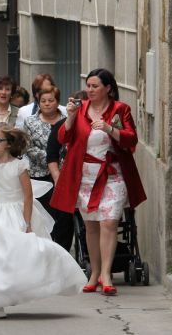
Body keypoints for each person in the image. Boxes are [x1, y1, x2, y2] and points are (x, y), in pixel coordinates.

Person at [0, 124, 86, 318]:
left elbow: (27, 196)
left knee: (13, 256)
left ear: (9, 143)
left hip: (13, 212)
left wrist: (27, 223)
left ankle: (11, 291)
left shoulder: (19, 166)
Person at [51, 68, 147, 296]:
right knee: (91, 226)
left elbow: (131, 139)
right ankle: (93, 272)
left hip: (113, 175)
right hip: (85, 176)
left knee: (109, 222)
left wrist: (109, 128)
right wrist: (71, 117)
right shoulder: (80, 109)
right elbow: (63, 138)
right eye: (88, 85)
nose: (90, 90)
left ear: (108, 88)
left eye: (95, 86)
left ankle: (106, 274)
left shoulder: (120, 109)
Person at [45, 90, 88, 251]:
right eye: (76, 104)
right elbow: (52, 155)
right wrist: (57, 179)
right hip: (66, 180)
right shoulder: (61, 126)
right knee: (63, 223)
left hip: (89, 179)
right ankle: (61, 255)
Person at [23, 86, 65, 232]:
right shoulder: (30, 121)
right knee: (43, 214)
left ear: (58, 102)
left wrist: (60, 161)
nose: (47, 104)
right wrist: (50, 158)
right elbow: (28, 147)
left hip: (63, 173)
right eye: (43, 101)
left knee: (63, 217)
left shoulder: (67, 121)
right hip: (39, 174)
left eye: (51, 100)